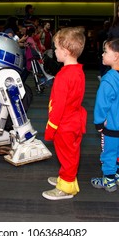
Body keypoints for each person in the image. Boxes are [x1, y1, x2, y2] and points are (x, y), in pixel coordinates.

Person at [42, 27, 87, 200]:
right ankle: (65, 178)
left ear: (66, 51)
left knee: (67, 156)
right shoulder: (78, 71)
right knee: (70, 154)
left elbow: (58, 106)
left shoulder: (63, 76)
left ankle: (66, 188)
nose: (55, 52)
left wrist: (51, 128)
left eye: (57, 48)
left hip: (64, 124)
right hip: (74, 120)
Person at [91, 38, 119, 192]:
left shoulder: (109, 79)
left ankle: (108, 181)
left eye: (105, 52)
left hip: (112, 126)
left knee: (108, 153)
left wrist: (98, 122)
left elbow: (102, 104)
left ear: (116, 56)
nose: (102, 55)